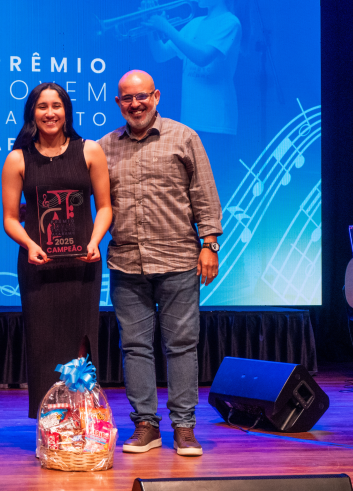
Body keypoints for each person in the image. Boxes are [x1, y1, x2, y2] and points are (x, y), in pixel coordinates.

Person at [99, 70, 222, 457]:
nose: (135, 104)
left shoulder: (184, 137)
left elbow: (204, 193)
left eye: (142, 96)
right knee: (135, 348)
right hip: (126, 263)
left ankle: (184, 427)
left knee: (181, 346)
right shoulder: (103, 147)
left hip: (178, 259)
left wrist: (210, 244)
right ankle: (146, 426)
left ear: (156, 96)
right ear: (118, 103)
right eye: (127, 98)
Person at [1, 83, 112, 419]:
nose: (50, 113)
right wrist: (29, 244)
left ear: (67, 111)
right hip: (39, 267)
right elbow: (10, 219)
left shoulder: (90, 150)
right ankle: (50, 425)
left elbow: (105, 208)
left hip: (83, 265)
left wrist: (95, 241)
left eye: (56, 106)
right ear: (31, 113)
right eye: (42, 106)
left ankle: (82, 420)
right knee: (43, 344)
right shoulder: (17, 158)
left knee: (81, 342)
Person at [144, 0, 242, 164]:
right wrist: (152, 27)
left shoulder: (230, 22)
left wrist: (166, 27)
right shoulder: (194, 23)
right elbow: (160, 54)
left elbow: (202, 58)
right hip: (189, 123)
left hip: (216, 123)